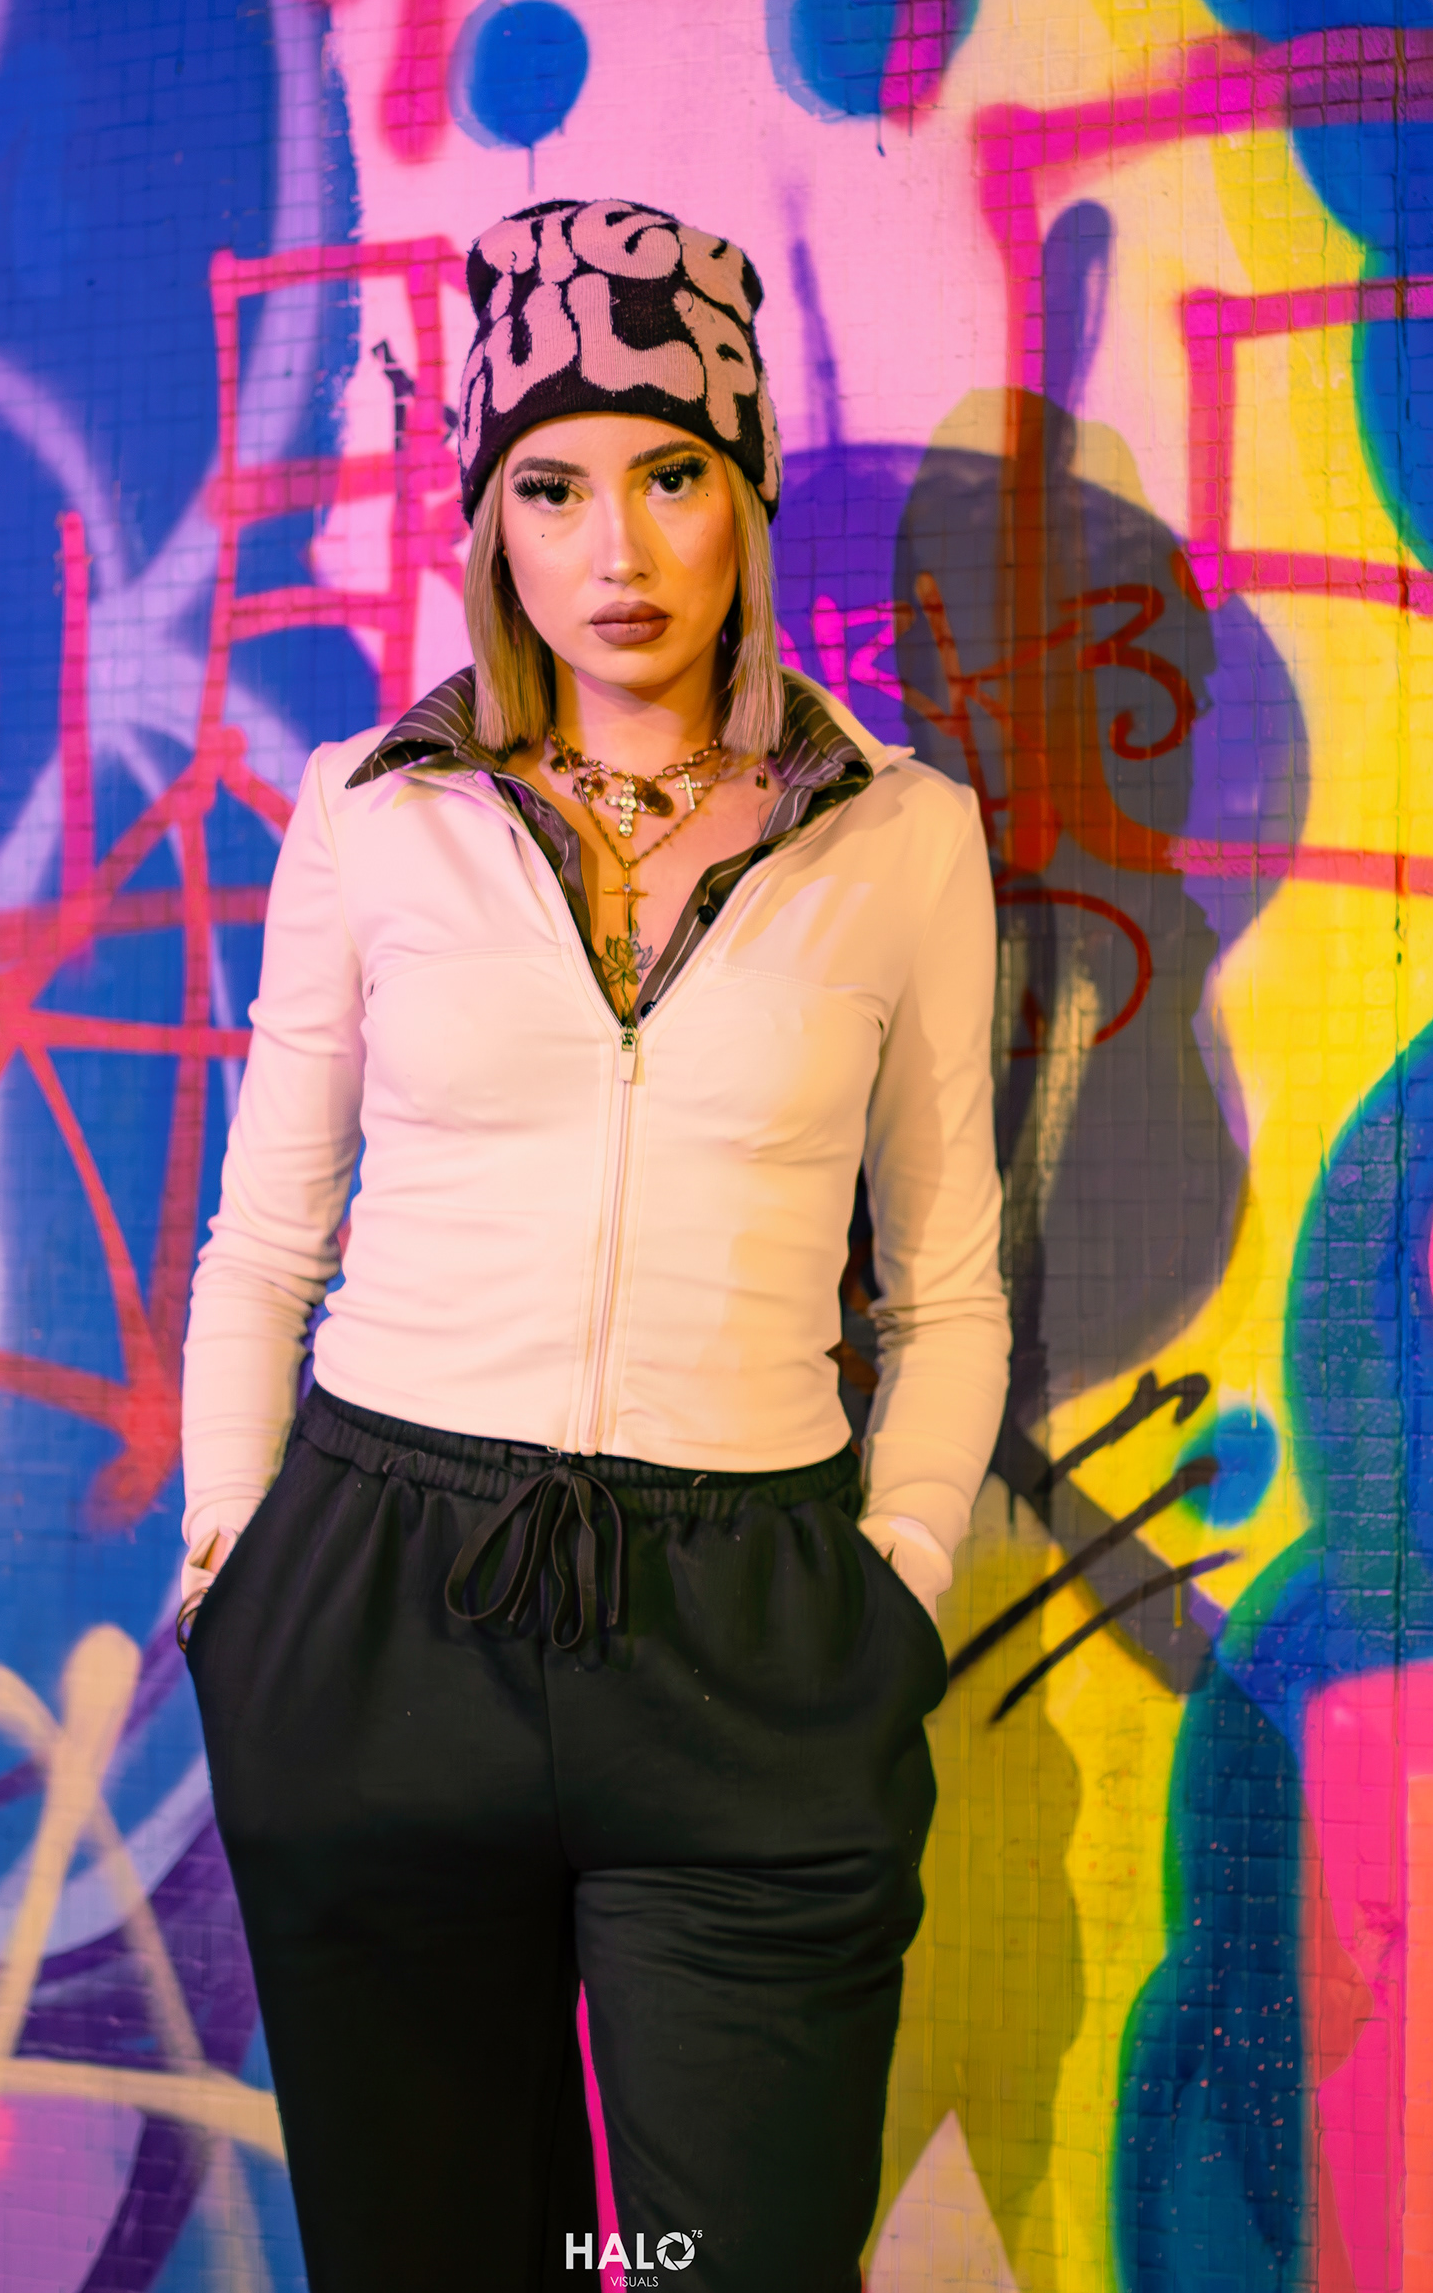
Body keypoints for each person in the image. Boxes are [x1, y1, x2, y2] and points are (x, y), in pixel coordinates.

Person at [177, 196, 1009, 2293]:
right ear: (492, 516)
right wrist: (231, 1576)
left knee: (736, 2259)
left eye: (670, 476)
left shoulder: (900, 833)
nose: (615, 550)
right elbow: (263, 1241)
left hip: (751, 1636)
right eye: (550, 486)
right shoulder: (375, 809)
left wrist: (898, 1590)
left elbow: (948, 1290)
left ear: (744, 497)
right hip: (379, 1611)